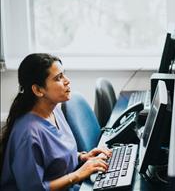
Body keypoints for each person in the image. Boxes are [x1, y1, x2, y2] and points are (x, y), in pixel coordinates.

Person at [0, 53, 112, 191]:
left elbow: (54, 157)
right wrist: (78, 174)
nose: (67, 81)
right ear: (38, 90)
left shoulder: (54, 110)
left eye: (64, 74)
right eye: (58, 78)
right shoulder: (28, 134)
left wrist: (82, 157)